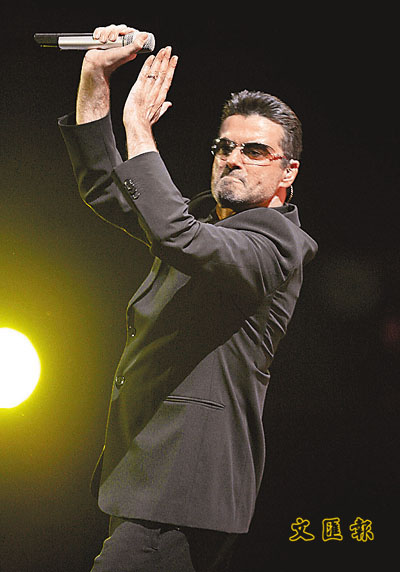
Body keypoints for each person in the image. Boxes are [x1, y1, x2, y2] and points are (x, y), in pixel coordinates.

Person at [58, 24, 318, 572]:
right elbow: (106, 186)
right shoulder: (201, 221)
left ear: (287, 172)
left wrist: (138, 126)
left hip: (183, 489)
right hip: (149, 478)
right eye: (225, 147)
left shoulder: (279, 244)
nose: (233, 158)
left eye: (254, 150)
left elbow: (177, 234)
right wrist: (95, 77)